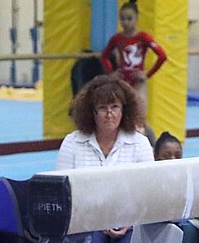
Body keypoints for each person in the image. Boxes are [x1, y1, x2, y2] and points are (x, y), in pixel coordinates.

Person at [57, 73, 155, 242]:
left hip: (129, 222)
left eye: (115, 107)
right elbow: (61, 191)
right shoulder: (72, 142)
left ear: (124, 110)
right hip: (84, 223)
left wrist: (129, 223)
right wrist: (94, 221)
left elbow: (149, 191)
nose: (109, 114)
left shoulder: (140, 143)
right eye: (103, 108)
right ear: (92, 112)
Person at [101, 0, 167, 143]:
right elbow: (104, 56)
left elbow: (162, 56)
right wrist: (113, 73)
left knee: (140, 120)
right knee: (121, 118)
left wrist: (147, 74)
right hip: (122, 83)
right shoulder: (117, 38)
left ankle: (152, 147)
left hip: (138, 84)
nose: (125, 22)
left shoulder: (143, 37)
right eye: (122, 19)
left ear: (136, 18)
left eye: (129, 18)